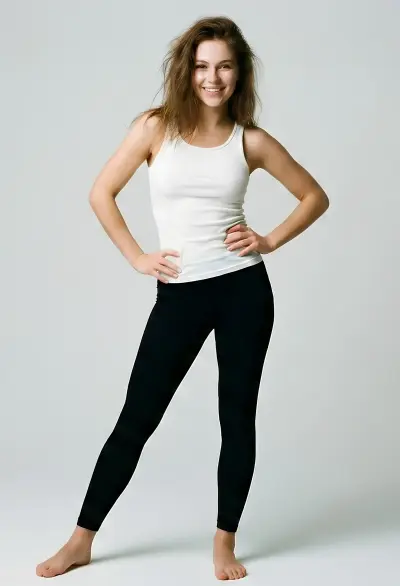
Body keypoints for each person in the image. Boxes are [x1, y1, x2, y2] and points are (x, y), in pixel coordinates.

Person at [36, 15, 329, 582]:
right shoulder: (155, 128)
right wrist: (136, 256)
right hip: (180, 295)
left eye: (224, 66)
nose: (212, 78)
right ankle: (80, 540)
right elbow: (101, 192)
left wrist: (268, 240)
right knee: (136, 418)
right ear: (186, 70)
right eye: (201, 66)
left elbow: (314, 196)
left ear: (239, 73)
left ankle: (224, 543)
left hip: (243, 290)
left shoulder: (251, 140)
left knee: (236, 418)